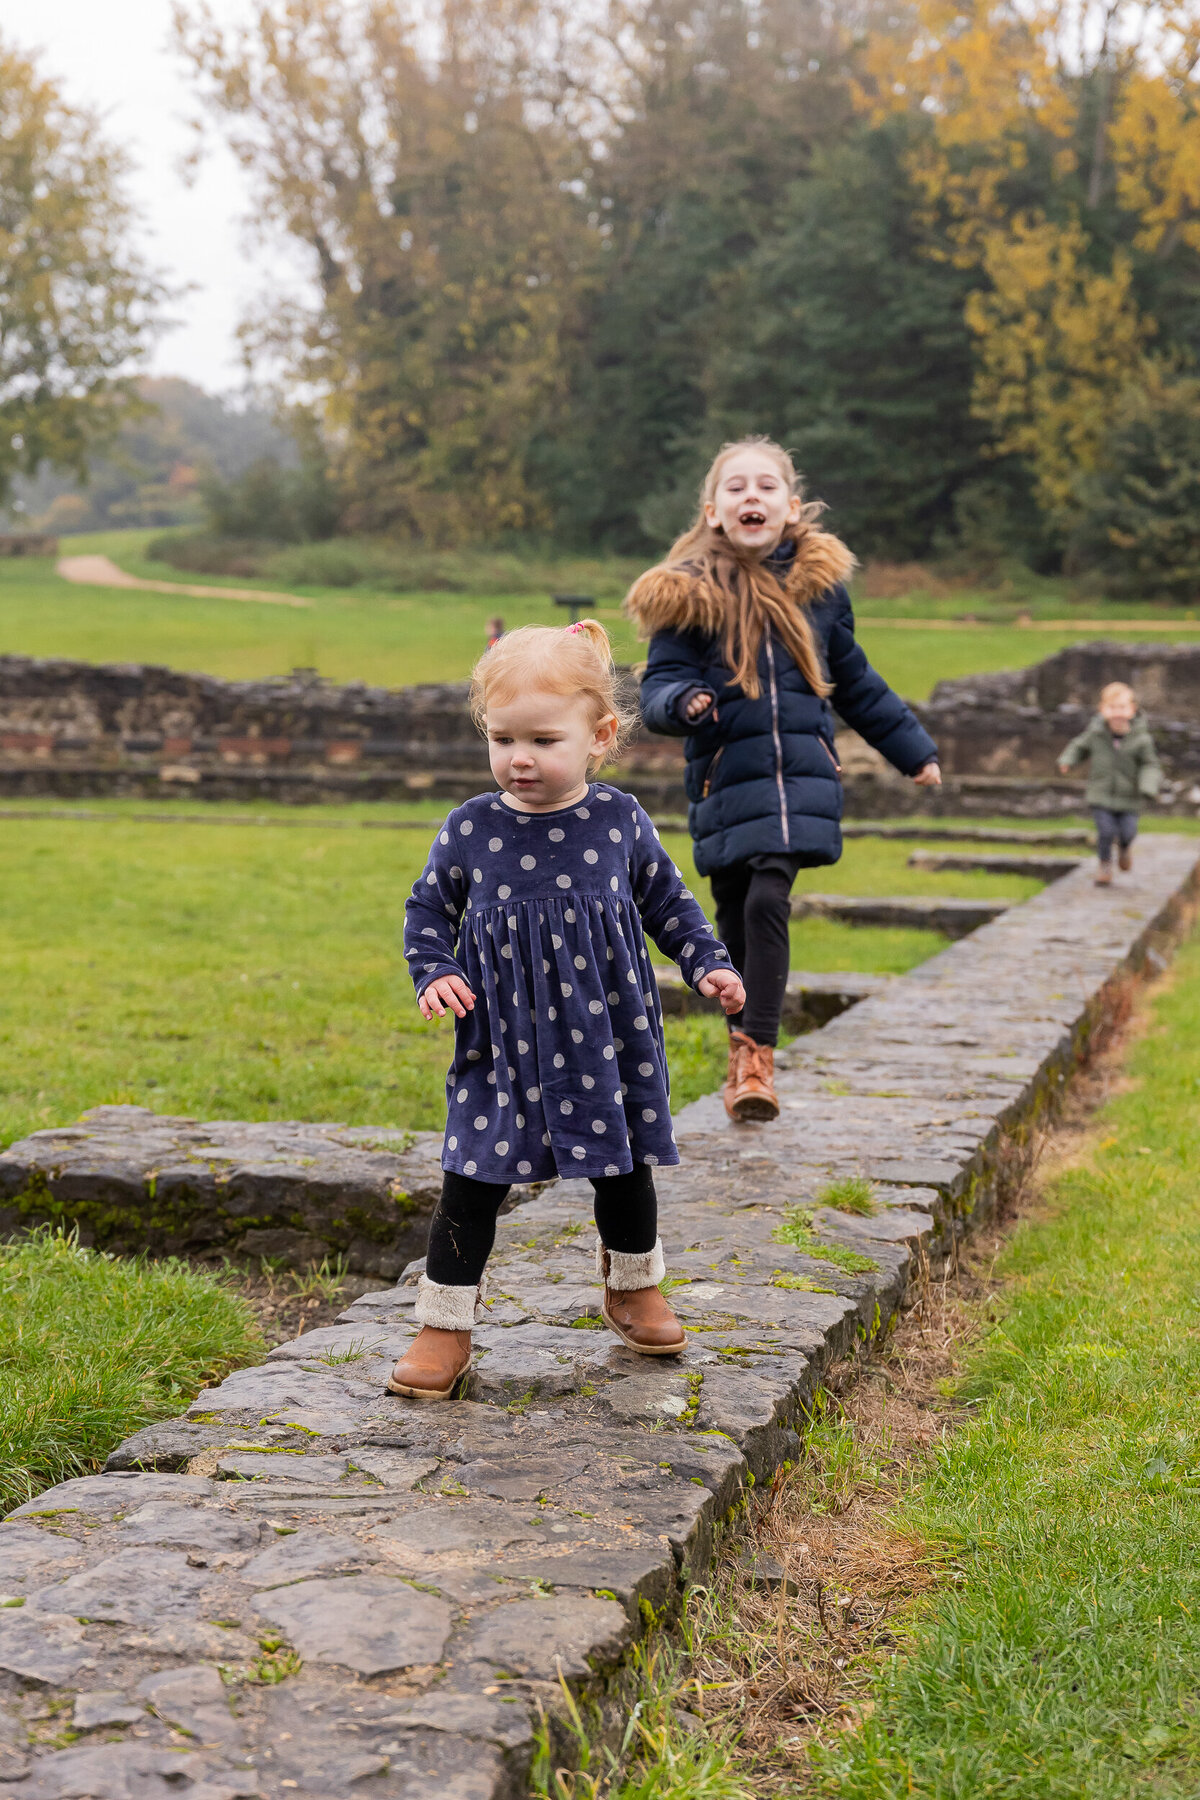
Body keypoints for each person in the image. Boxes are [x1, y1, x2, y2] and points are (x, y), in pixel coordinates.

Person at [389, 618, 745, 1401]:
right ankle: (444, 1325)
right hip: (502, 1042)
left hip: (606, 1038)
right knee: (471, 1180)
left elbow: (670, 905)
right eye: (502, 737)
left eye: (544, 740)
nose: (519, 758)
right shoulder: (471, 828)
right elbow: (425, 911)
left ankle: (633, 1285)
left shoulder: (619, 822)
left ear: (599, 734)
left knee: (622, 1169)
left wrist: (708, 963)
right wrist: (433, 969)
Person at [626, 436, 940, 1124]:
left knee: (770, 895)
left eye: (766, 487)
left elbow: (854, 682)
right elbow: (659, 686)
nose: (751, 497)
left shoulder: (820, 594)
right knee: (735, 924)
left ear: (791, 508)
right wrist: (682, 704)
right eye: (736, 488)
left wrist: (912, 749)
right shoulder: (687, 597)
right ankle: (741, 1050)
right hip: (723, 786)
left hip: (798, 788)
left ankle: (757, 1057)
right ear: (713, 512)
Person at [1057, 680, 1161, 886]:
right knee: (1105, 832)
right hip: (1101, 794)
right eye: (1112, 708)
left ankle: (1124, 849)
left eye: (1122, 707)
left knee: (1128, 832)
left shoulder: (1141, 740)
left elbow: (1150, 765)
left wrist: (1148, 786)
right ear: (1102, 710)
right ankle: (1104, 865)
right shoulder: (1096, 734)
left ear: (1132, 710)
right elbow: (1078, 746)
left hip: (1129, 797)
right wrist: (1067, 760)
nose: (1117, 712)